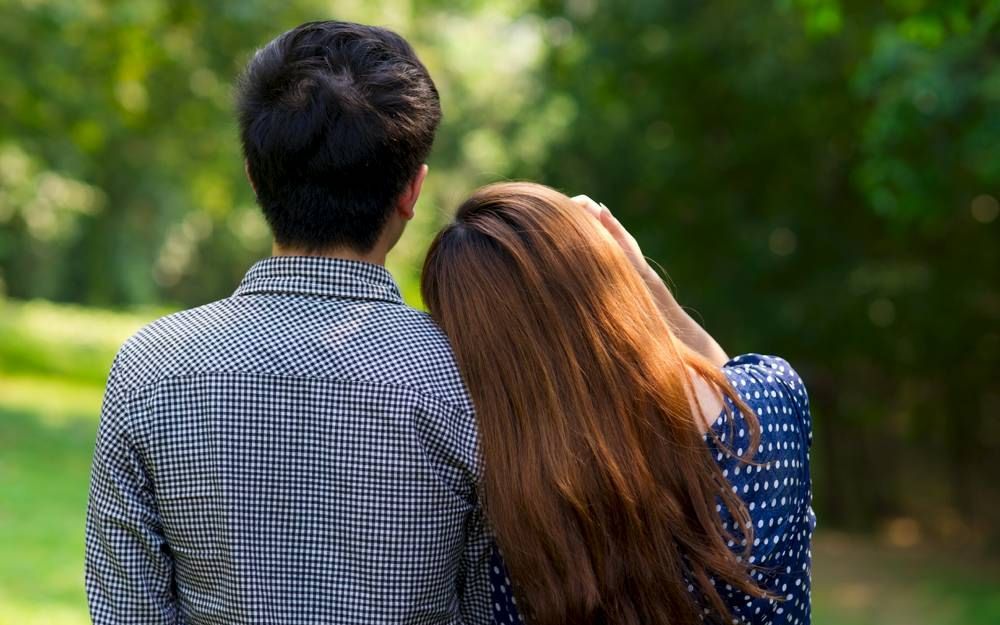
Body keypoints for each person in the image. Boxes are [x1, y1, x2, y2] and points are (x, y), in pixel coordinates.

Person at [85, 21, 497, 624]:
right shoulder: (468, 380)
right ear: (412, 191)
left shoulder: (150, 367)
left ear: (254, 177)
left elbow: (128, 611)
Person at [421, 182, 815, 625]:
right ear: (613, 271)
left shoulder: (502, 498)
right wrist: (647, 285)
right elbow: (722, 388)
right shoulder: (771, 401)